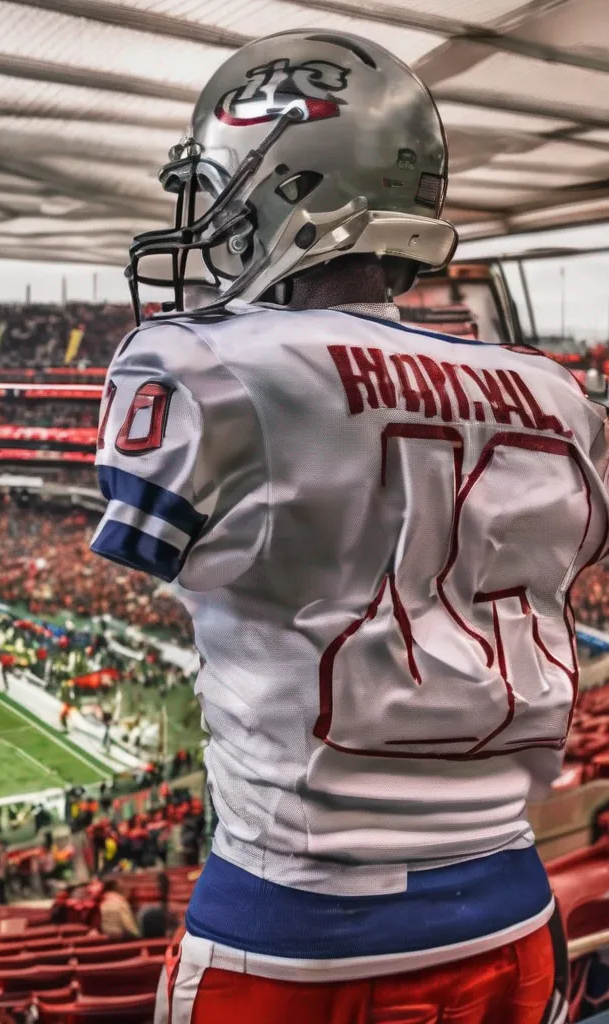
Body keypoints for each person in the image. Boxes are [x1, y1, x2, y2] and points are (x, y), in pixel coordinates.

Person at [89, 29, 598, 1023]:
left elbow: (164, 548)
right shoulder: (556, 393)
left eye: (223, 192)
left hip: (295, 931)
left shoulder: (212, 367)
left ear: (288, 191)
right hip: (510, 910)